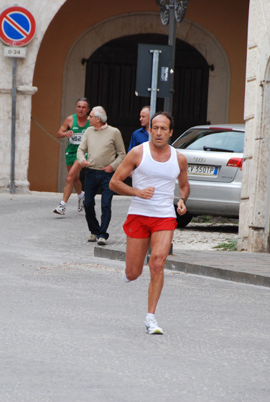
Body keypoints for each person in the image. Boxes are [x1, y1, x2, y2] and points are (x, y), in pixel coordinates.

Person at [110, 112, 189, 335]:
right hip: (139, 214)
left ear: (171, 132)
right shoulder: (138, 153)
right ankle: (130, 272)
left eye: (163, 128)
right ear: (150, 130)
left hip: (164, 216)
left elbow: (184, 186)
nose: (158, 132)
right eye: (155, 128)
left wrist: (182, 200)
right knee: (134, 272)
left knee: (157, 262)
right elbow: (114, 182)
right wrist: (137, 192)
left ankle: (150, 317)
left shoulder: (179, 158)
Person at [76, 106, 126, 245]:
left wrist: (112, 167)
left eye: (90, 116)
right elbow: (80, 149)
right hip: (91, 172)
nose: (88, 118)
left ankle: (102, 234)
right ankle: (94, 230)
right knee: (87, 203)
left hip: (107, 174)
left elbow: (122, 154)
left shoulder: (114, 132)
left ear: (98, 119)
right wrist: (82, 160)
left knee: (106, 204)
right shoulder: (89, 131)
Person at [53, 97, 90, 215]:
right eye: (79, 107)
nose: (81, 109)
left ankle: (62, 206)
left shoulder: (91, 121)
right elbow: (59, 133)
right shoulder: (70, 119)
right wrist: (66, 133)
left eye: (84, 107)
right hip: (70, 152)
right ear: (76, 108)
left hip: (82, 153)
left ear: (88, 109)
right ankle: (81, 195)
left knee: (69, 177)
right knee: (74, 179)